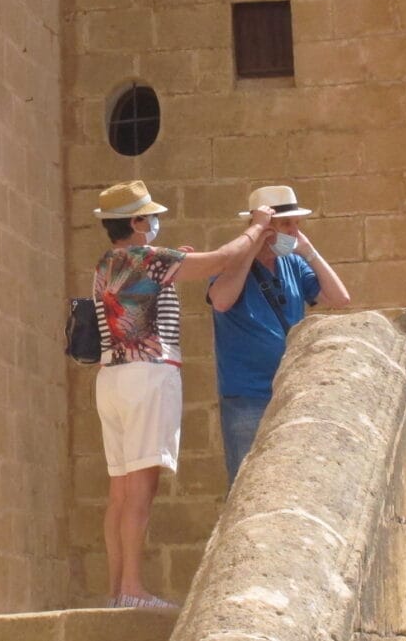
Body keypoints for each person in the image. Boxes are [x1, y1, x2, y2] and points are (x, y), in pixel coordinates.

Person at [92, 180, 274, 608]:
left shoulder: (107, 262)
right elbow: (226, 259)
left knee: (119, 489)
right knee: (142, 487)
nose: (155, 222)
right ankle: (134, 589)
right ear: (136, 222)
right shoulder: (150, 258)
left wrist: (179, 262)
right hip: (149, 377)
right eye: (149, 216)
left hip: (112, 379)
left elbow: (144, 294)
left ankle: (118, 590)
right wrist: (257, 227)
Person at [207, 185, 351, 487]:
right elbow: (221, 300)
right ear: (263, 227)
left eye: (297, 224)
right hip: (247, 397)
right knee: (247, 485)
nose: (294, 232)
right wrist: (250, 250)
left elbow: (340, 299)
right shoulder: (231, 266)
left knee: (293, 482)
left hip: (290, 389)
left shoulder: (293, 263)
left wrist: (309, 252)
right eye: (287, 225)